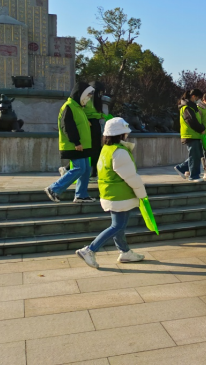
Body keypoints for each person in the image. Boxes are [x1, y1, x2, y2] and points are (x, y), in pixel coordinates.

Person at [76, 118, 146, 267]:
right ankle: (89, 249)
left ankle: (125, 252)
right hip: (120, 195)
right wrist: (142, 194)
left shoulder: (107, 150)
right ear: (121, 134)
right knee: (118, 226)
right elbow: (130, 176)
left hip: (111, 193)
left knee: (119, 225)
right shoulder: (120, 152)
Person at [45, 82, 96, 204]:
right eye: (88, 95)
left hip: (82, 146)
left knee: (86, 169)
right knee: (79, 168)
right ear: (81, 94)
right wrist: (76, 142)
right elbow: (67, 126)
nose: (89, 98)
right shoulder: (69, 106)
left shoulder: (78, 107)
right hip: (74, 145)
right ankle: (54, 188)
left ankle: (81, 195)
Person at [175, 89, 206, 182]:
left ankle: (181, 168)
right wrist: (201, 128)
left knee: (197, 155)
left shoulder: (191, 107)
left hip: (194, 134)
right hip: (190, 135)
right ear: (193, 96)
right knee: (194, 155)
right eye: (198, 98)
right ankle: (194, 176)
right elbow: (191, 121)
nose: (199, 100)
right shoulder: (187, 107)